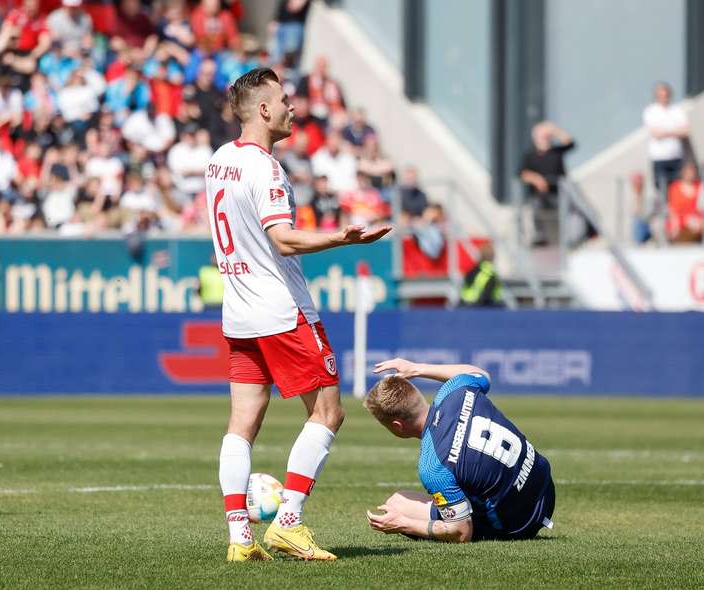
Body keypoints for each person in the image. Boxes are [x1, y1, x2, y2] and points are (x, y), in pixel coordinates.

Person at [205, 68, 391, 562]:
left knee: (242, 422)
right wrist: (343, 238)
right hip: (281, 310)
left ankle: (239, 538)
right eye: (284, 100)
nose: (292, 107)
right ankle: (288, 522)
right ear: (263, 109)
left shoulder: (219, 161)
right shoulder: (265, 169)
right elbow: (283, 239)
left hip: (239, 312)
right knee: (329, 412)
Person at [363, 359, 555, 543]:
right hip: (545, 489)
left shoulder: (432, 466)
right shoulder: (454, 389)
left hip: (520, 524)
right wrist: (416, 369)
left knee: (398, 505)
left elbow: (461, 533)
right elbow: (481, 374)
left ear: (398, 426)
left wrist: (404, 525)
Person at [518, 120, 575, 245]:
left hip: (559, 193)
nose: (544, 137)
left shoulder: (556, 151)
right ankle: (540, 237)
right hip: (539, 195)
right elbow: (522, 173)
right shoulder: (530, 155)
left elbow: (571, 143)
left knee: (571, 209)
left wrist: (554, 129)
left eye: (545, 135)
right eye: (541, 135)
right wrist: (536, 179)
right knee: (535, 206)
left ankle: (572, 238)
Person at [642, 82, 688, 189]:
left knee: (676, 187)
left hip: (676, 156)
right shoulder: (651, 111)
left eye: (666, 95)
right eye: (661, 95)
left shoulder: (677, 110)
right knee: (661, 188)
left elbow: (685, 131)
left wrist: (665, 132)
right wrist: (674, 131)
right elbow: (655, 133)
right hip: (659, 157)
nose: (664, 97)